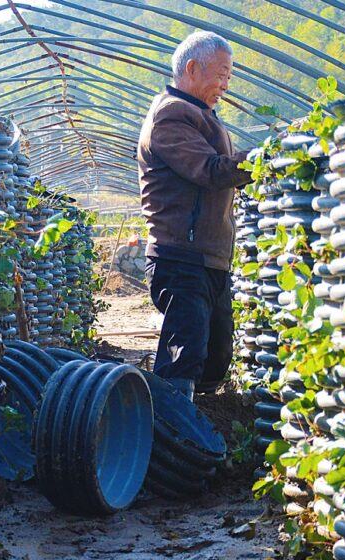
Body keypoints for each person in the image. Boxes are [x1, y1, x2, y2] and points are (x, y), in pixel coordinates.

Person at [137, 31, 252, 400]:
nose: (225, 85)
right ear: (191, 68)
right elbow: (209, 170)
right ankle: (172, 435)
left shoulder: (203, 115)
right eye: (221, 74)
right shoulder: (171, 116)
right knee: (183, 355)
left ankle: (197, 423)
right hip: (182, 257)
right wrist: (261, 161)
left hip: (210, 258)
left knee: (217, 355)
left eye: (229, 77)